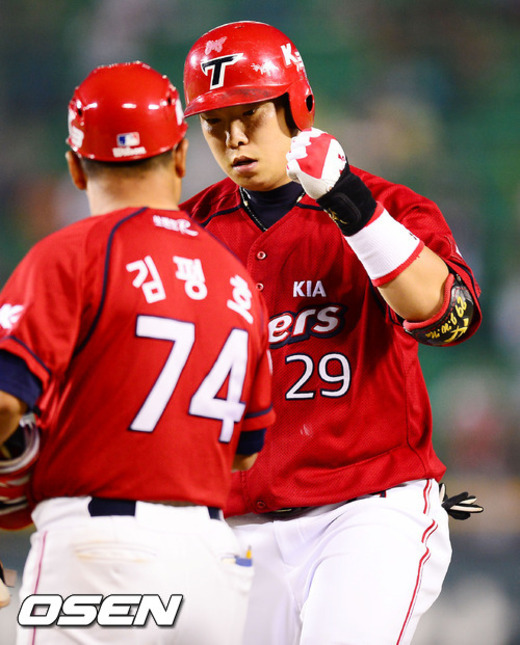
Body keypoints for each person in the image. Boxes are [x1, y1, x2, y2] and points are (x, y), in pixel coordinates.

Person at [181, 21, 483, 645]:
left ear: (297, 106)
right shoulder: (186, 233)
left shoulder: (387, 206)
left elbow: (452, 319)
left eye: (249, 114)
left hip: (368, 512)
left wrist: (351, 204)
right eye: (214, 122)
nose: (234, 137)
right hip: (234, 528)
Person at [0, 60, 275, 644]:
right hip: (213, 562)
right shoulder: (237, 280)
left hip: (100, 551)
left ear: (75, 166)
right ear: (180, 158)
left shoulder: (72, 254)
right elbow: (245, 453)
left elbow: (3, 402)